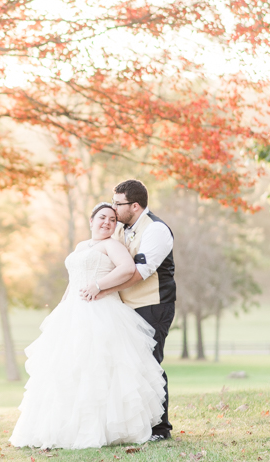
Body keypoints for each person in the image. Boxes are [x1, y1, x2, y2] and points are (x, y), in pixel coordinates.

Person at [9, 203, 166, 450]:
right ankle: (65, 427)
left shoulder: (112, 245)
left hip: (102, 310)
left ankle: (105, 427)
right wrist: (62, 306)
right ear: (91, 220)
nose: (107, 222)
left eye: (113, 220)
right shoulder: (82, 246)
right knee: (68, 370)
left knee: (99, 368)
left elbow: (127, 268)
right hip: (74, 311)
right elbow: (73, 281)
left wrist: (98, 285)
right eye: (102, 217)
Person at [81, 179, 175, 442]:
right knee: (128, 367)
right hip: (124, 309)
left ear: (134, 205)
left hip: (153, 305)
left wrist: (101, 290)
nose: (113, 208)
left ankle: (160, 428)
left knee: (150, 365)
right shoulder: (121, 230)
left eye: (118, 204)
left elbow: (140, 272)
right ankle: (137, 426)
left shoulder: (156, 230)